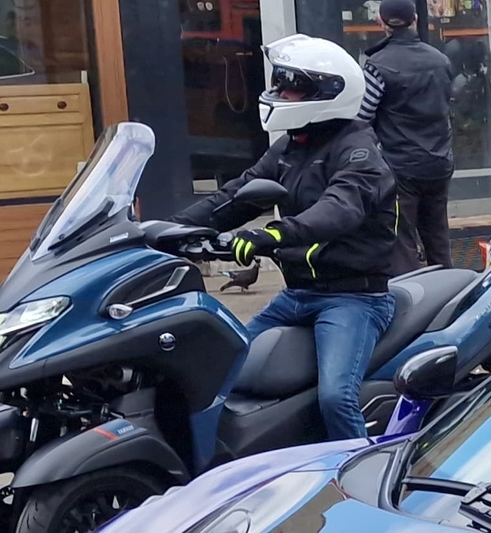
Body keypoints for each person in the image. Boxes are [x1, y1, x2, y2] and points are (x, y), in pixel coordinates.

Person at [167, 34, 400, 441]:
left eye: (291, 87)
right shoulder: (290, 147)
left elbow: (338, 209)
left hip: (354, 297)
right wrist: (168, 230)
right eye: (280, 84)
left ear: (328, 93)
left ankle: (358, 473)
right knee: (221, 368)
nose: (279, 93)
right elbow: (234, 197)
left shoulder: (359, 153)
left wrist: (271, 234)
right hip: (297, 294)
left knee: (336, 396)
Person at [359, 0, 453, 272]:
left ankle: (416, 307)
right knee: (438, 239)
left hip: (400, 169)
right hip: (439, 163)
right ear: (414, 19)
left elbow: (362, 117)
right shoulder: (440, 60)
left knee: (403, 244)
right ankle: (452, 300)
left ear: (380, 21)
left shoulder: (376, 66)